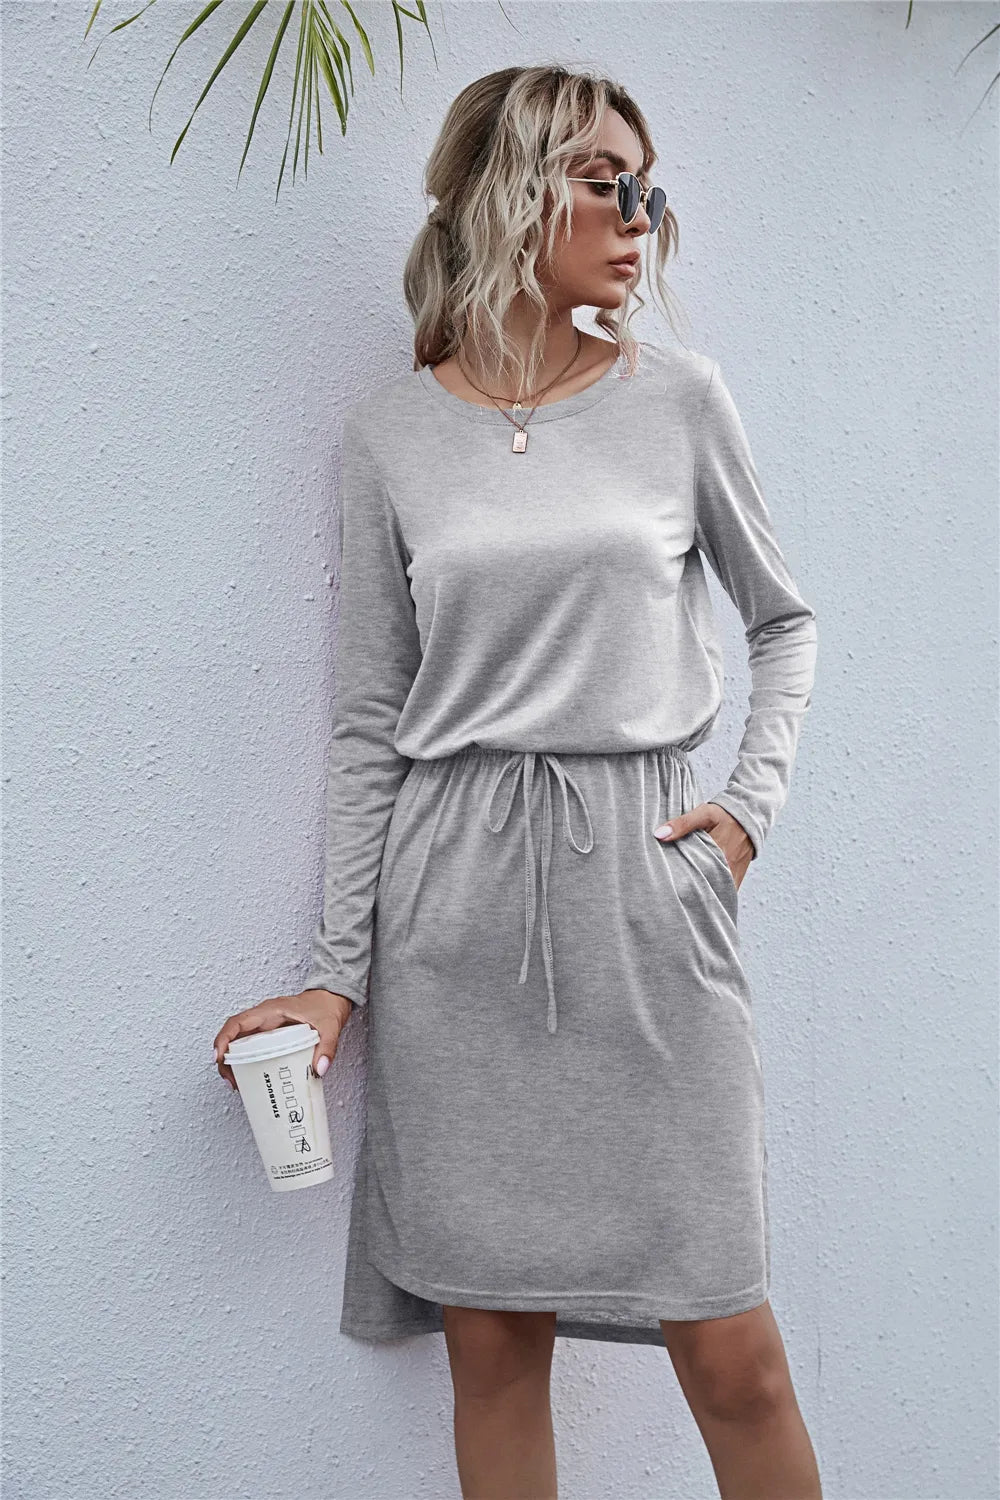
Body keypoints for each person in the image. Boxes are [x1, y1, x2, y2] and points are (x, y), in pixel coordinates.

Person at [213, 63, 822, 1500]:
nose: (640, 215)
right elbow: (371, 721)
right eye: (606, 180)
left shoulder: (681, 401)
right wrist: (336, 976)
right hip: (455, 912)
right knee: (491, 1349)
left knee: (735, 1356)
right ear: (511, 191)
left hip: (644, 896)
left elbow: (784, 622)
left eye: (647, 186)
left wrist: (744, 814)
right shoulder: (392, 433)